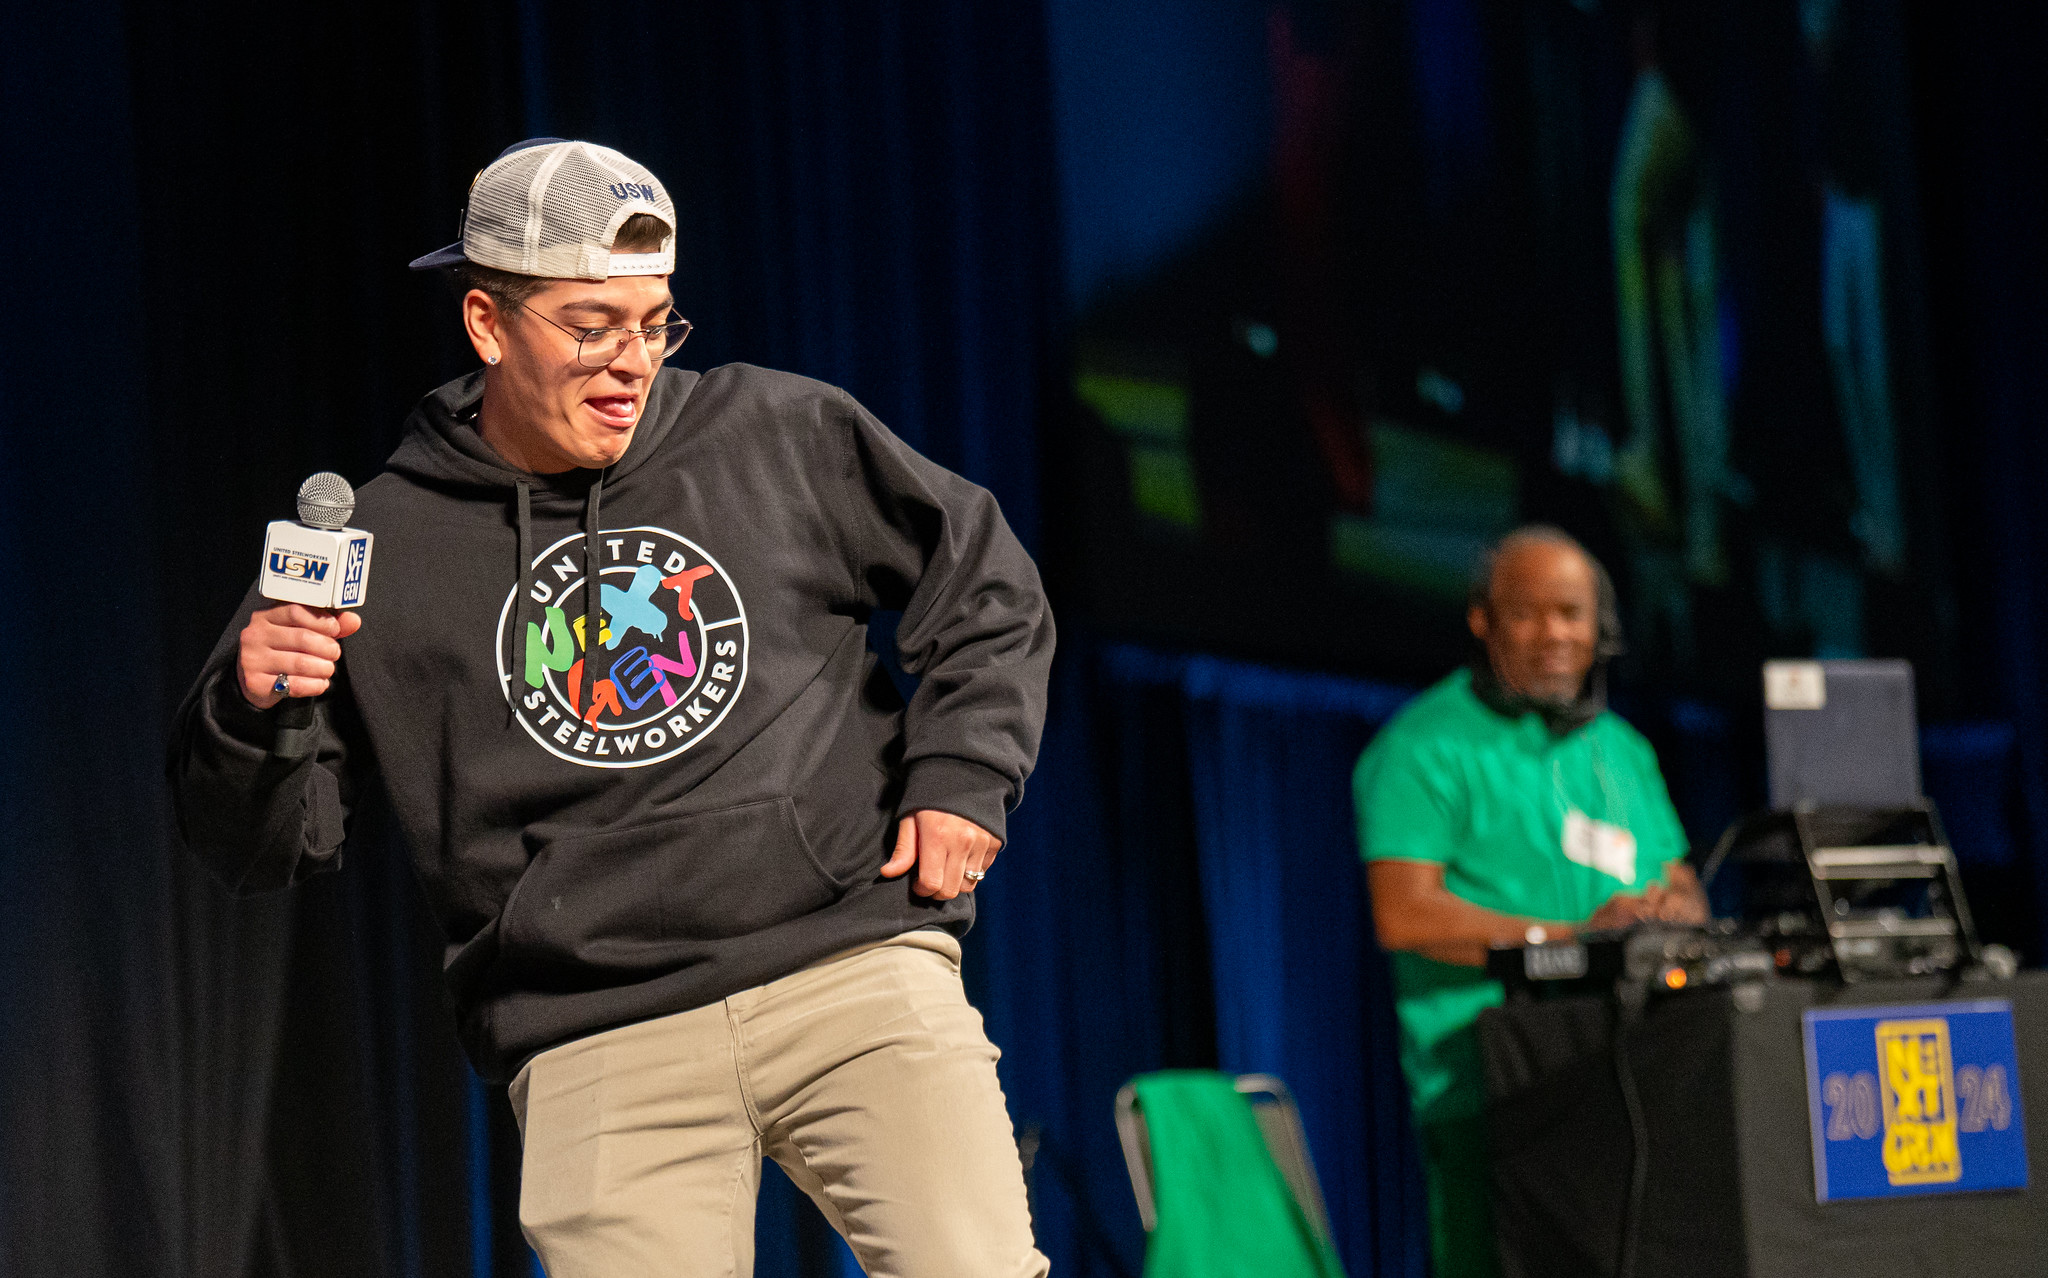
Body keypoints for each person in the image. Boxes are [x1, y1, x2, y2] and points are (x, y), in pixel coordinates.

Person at [168, 138, 1054, 1278]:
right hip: (595, 1031)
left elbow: (983, 583)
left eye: (653, 324)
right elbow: (257, 848)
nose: (630, 362)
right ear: (487, 323)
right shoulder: (378, 545)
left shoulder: (778, 433)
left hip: (849, 967)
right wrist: (255, 711)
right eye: (592, 328)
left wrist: (964, 778)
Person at [1352, 526, 1705, 1278]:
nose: (1554, 635)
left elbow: (1685, 891)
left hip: (1634, 1079)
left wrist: (1661, 914)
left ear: (1601, 628)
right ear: (1482, 620)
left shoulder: (1624, 750)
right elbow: (1404, 914)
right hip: (1488, 1094)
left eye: (1572, 614)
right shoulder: (1420, 748)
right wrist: (1573, 938)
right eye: (1527, 614)